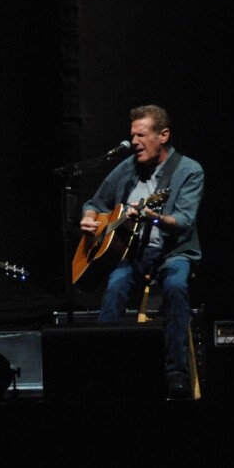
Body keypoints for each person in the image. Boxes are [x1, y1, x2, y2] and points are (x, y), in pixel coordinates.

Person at [80, 104, 203, 399]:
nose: (133, 142)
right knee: (114, 287)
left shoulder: (189, 170)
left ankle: (176, 374)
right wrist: (89, 217)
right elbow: (94, 203)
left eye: (141, 135)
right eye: (132, 135)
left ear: (163, 135)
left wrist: (154, 216)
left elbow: (184, 221)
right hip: (133, 254)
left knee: (175, 286)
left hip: (174, 254)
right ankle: (103, 369)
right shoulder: (128, 167)